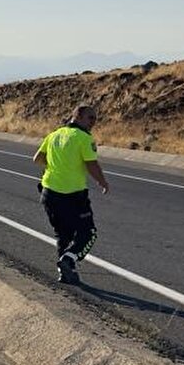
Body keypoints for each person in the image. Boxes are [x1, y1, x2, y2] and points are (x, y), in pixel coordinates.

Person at [33, 105, 110, 284]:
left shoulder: (54, 135)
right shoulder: (83, 138)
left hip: (49, 193)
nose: (94, 122)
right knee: (89, 233)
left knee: (63, 234)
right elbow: (91, 164)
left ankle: (66, 272)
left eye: (95, 119)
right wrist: (102, 182)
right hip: (73, 195)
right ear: (79, 117)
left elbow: (37, 158)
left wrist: (54, 168)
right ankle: (68, 260)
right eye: (91, 118)